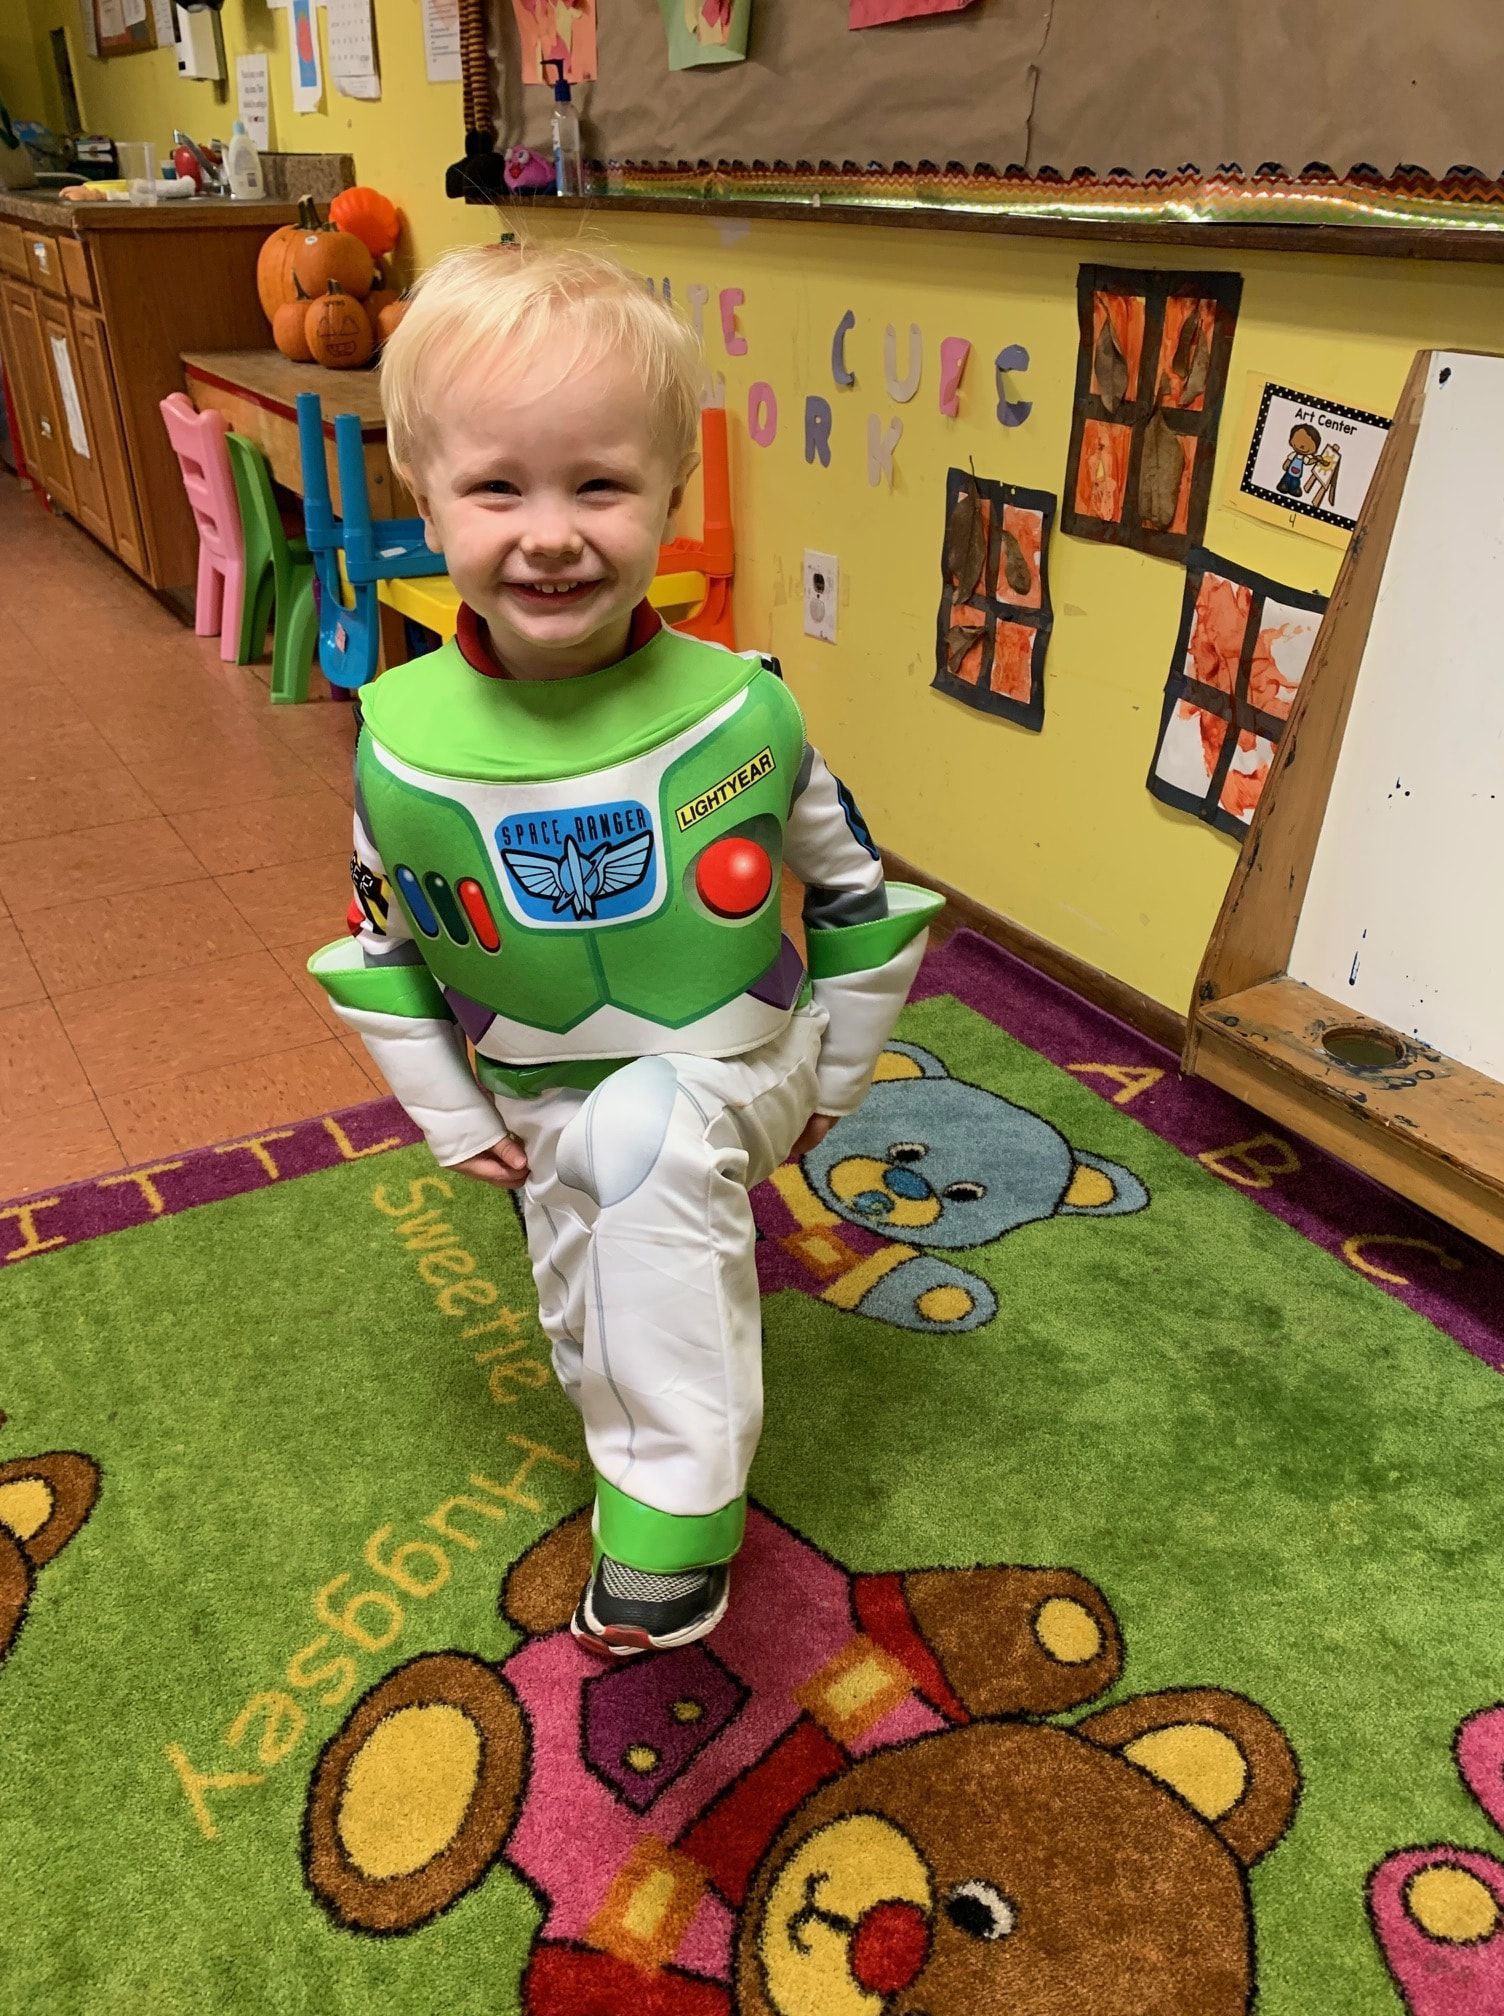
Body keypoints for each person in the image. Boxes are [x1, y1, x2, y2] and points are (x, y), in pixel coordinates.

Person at [308, 236, 940, 1657]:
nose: (551, 532)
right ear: (426, 498)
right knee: (591, 1244)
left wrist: (830, 1075)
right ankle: (630, 1451)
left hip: (737, 1059)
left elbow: (853, 894)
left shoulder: (741, 713)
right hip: (538, 1087)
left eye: (599, 484)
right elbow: (381, 935)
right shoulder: (399, 744)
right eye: (497, 486)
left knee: (646, 1138)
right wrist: (453, 1111)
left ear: (670, 495)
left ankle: (672, 1529)